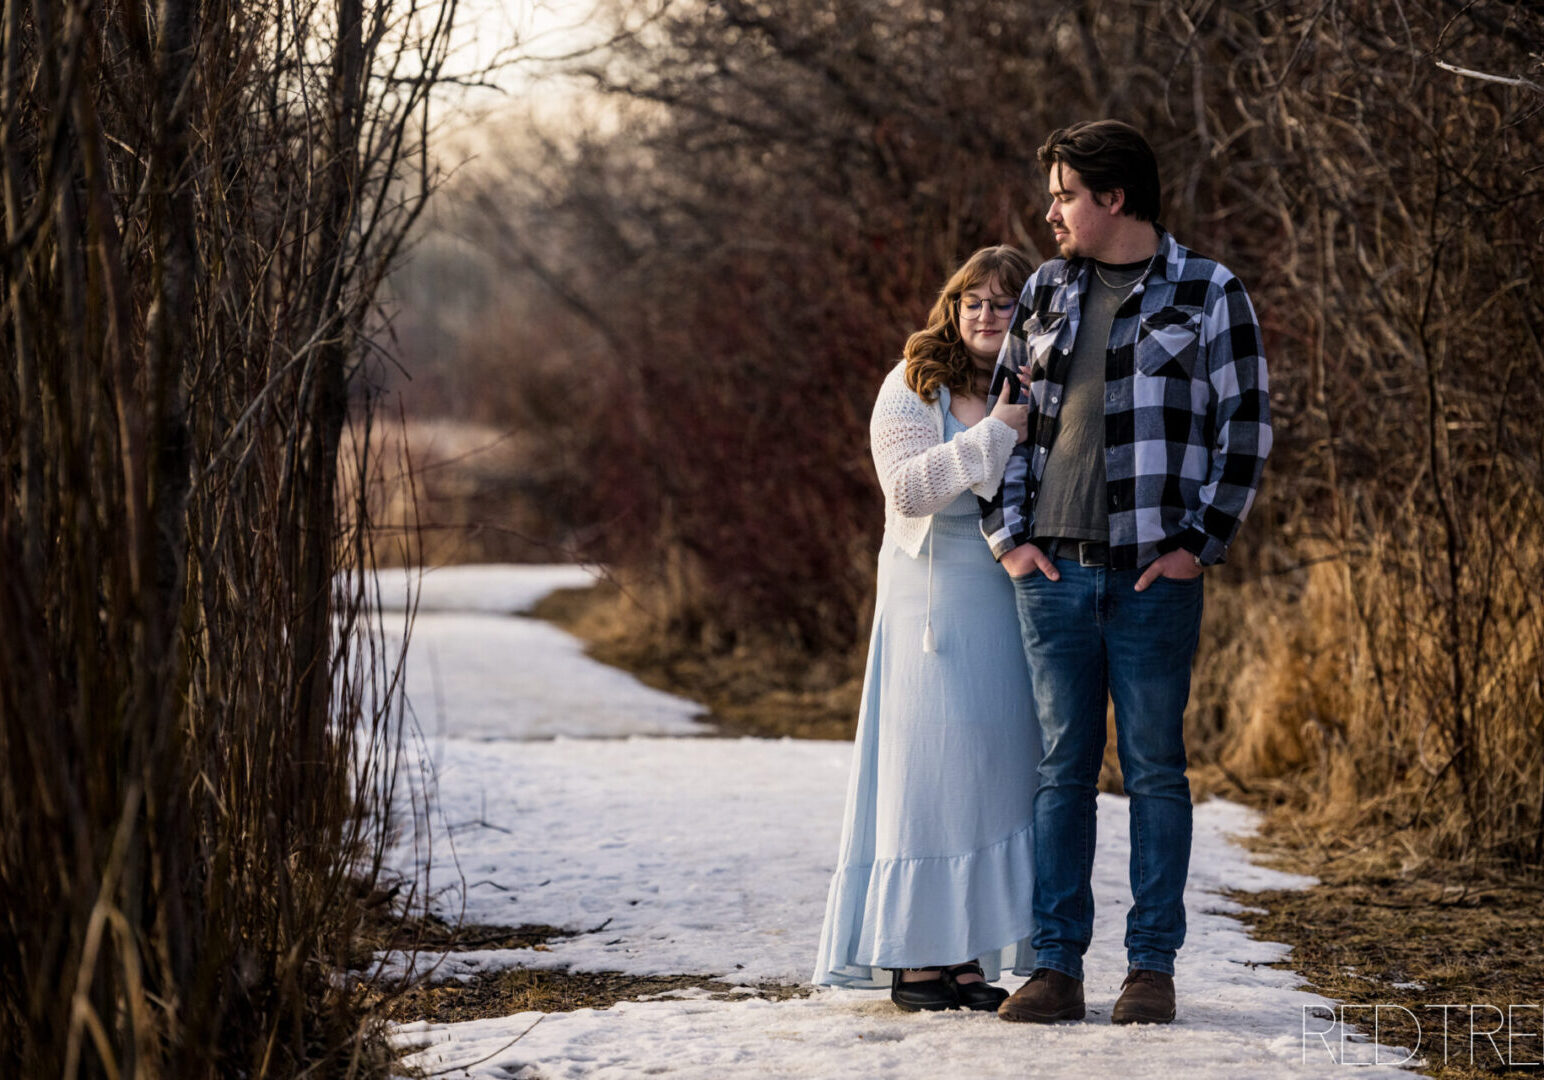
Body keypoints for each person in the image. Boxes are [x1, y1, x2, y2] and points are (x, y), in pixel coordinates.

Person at [985, 120, 1272, 1026]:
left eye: (1065, 195)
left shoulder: (1210, 291)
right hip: (1054, 575)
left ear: (1114, 197)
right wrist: (1009, 539)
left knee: (1154, 771)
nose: (1051, 213)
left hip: (1154, 577)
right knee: (1061, 773)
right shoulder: (1045, 288)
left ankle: (1150, 967)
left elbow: (1246, 430)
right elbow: (1003, 420)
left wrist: (1199, 545)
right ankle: (1055, 967)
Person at [812, 246, 1043, 1012]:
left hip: (1006, 600)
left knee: (989, 773)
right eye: (973, 301)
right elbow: (909, 489)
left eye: (1003, 303)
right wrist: (997, 432)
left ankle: (967, 951)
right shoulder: (911, 385)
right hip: (928, 607)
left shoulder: (1033, 383)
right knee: (927, 771)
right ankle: (915, 957)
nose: (986, 315)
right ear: (952, 308)